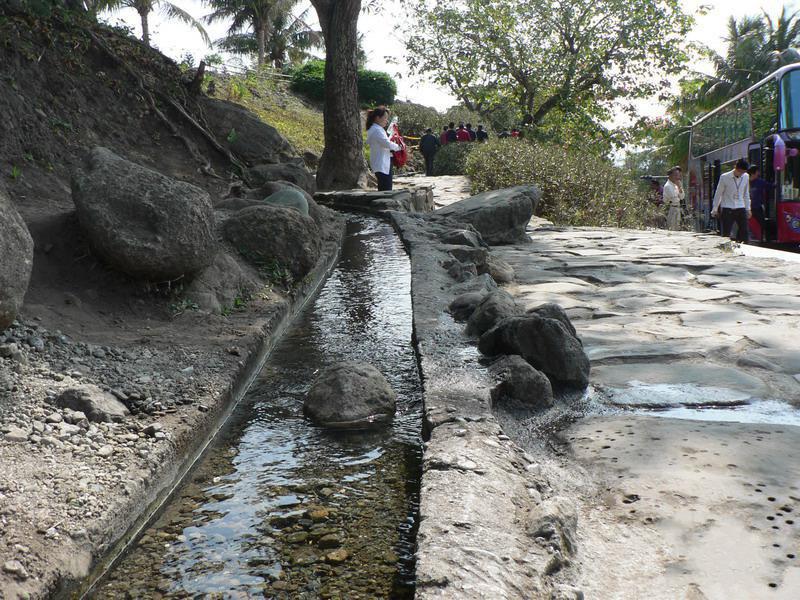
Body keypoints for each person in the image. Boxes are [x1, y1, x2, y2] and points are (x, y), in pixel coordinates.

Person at [711, 159, 751, 242]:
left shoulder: (746, 176)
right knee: (726, 233)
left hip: (741, 207)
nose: (741, 174)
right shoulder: (725, 177)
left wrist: (748, 208)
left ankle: (744, 248)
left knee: (745, 231)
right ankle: (725, 250)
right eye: (740, 172)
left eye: (743, 172)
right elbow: (718, 193)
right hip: (728, 207)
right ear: (736, 168)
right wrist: (715, 208)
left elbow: (746, 193)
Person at [366, 106, 401, 191]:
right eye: (385, 118)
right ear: (378, 118)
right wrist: (399, 147)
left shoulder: (376, 129)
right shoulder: (377, 130)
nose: (387, 120)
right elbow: (386, 143)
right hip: (381, 163)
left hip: (381, 162)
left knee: (383, 187)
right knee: (386, 189)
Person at [748, 165, 771, 241]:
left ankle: (765, 239)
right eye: (757, 172)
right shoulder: (745, 182)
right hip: (747, 208)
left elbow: (770, 186)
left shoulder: (760, 182)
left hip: (757, 207)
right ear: (753, 173)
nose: (759, 173)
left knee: (762, 223)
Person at [663, 166, 685, 230]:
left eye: (678, 175)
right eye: (675, 175)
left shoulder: (676, 185)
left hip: (677, 208)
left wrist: (680, 188)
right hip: (671, 209)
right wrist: (678, 196)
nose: (677, 177)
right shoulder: (668, 186)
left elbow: (682, 197)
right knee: (671, 228)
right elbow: (675, 199)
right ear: (670, 175)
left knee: (677, 228)